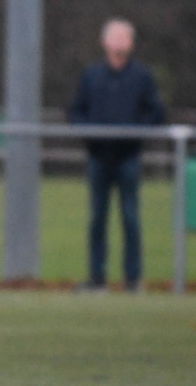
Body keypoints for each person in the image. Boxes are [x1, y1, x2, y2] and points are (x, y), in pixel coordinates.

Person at [68, 18, 166, 292]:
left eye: (124, 38)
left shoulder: (142, 77)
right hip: (99, 158)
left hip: (128, 158)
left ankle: (133, 280)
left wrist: (136, 133)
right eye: (115, 37)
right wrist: (89, 134)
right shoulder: (92, 76)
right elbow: (76, 111)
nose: (119, 43)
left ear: (131, 43)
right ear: (104, 42)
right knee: (97, 219)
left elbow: (156, 113)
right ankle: (97, 279)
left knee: (130, 217)